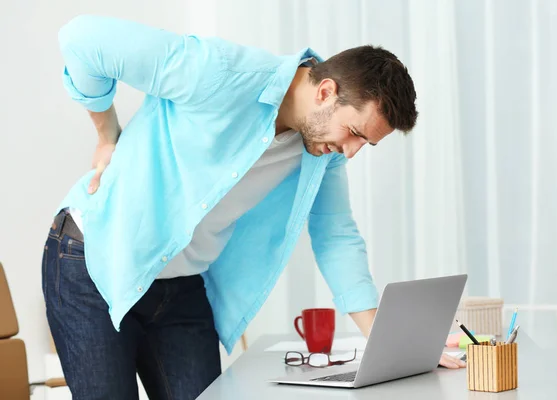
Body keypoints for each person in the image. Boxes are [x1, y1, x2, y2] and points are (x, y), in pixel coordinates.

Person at [43, 14, 465, 400]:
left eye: (364, 144)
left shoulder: (323, 152)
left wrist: (386, 342)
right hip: (94, 262)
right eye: (354, 133)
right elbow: (82, 40)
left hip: (180, 285)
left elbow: (335, 234)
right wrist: (106, 134)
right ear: (325, 91)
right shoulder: (218, 72)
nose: (350, 153)